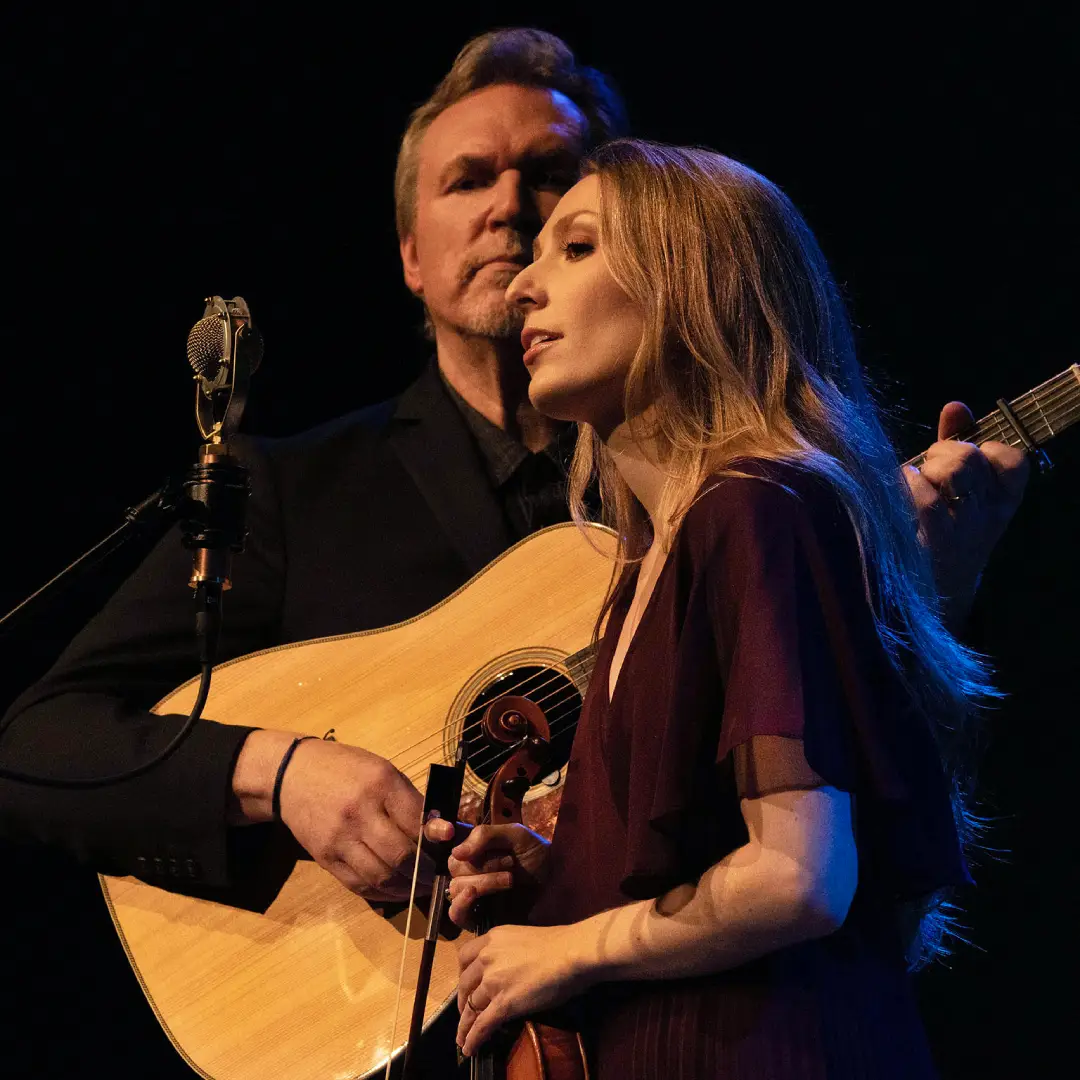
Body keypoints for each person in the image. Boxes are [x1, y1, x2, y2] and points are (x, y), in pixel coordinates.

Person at [0, 27, 1026, 1077]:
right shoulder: (293, 489)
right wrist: (281, 770)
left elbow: (842, 843)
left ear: (659, 242)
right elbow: (36, 744)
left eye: (555, 188)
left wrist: (926, 589)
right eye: (467, 180)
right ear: (408, 252)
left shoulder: (719, 509)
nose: (513, 217)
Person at [433, 141, 1002, 1078]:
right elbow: (711, 849)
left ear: (694, 282)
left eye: (577, 249)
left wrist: (566, 949)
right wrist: (561, 861)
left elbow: (799, 878)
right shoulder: (650, 559)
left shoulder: (757, 508)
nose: (525, 287)